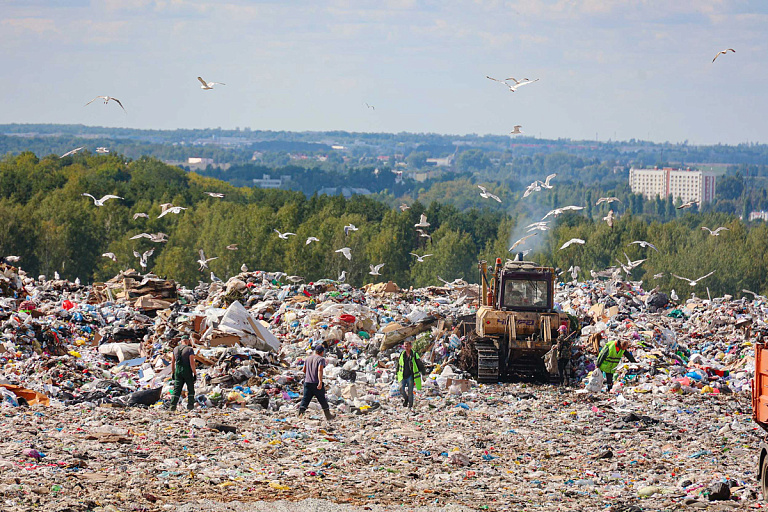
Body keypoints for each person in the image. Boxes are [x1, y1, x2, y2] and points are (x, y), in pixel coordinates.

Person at [299, 344, 334, 420]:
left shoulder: (308, 359)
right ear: (322, 352)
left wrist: (309, 375)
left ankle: (300, 414)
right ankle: (328, 416)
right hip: (316, 383)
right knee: (322, 400)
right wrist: (320, 382)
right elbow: (320, 370)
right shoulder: (321, 359)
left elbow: (304, 370)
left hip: (307, 382)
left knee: (305, 399)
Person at [169, 335, 196, 411]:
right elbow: (192, 363)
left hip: (178, 371)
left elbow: (172, 362)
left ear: (181, 341)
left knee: (177, 389)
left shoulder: (175, 349)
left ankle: (172, 407)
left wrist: (173, 373)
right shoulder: (189, 349)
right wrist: (195, 373)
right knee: (190, 389)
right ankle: (190, 407)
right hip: (187, 371)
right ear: (188, 341)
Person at [396, 340, 425, 409]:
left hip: (411, 376)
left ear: (411, 346)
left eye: (407, 346)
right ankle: (406, 399)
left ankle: (410, 406)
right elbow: (399, 364)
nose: (406, 348)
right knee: (401, 389)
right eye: (405, 346)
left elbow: (419, 364)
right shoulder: (402, 354)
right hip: (402, 375)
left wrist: (423, 373)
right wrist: (396, 373)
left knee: (410, 391)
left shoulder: (414, 354)